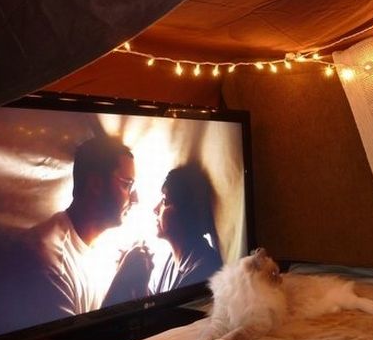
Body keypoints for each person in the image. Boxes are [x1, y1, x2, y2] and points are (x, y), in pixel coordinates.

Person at [20, 135, 150, 319]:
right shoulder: (46, 259)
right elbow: (75, 336)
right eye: (126, 184)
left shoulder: (105, 250)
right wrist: (122, 283)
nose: (135, 199)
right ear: (95, 185)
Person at [153, 163, 223, 292]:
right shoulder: (170, 261)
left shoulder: (204, 269)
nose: (155, 209)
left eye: (164, 201)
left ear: (185, 210)